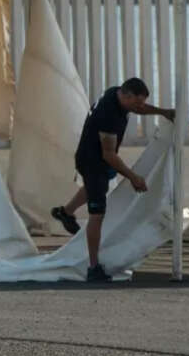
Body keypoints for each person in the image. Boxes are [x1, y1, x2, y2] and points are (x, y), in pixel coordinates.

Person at [50, 78, 175, 282]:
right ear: (126, 95)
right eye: (136, 102)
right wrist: (134, 177)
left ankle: (65, 212)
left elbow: (139, 109)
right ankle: (93, 267)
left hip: (98, 156)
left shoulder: (116, 93)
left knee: (96, 188)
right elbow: (109, 155)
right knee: (97, 213)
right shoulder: (109, 114)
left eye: (140, 102)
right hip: (93, 162)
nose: (138, 107)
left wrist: (162, 112)